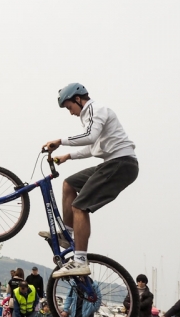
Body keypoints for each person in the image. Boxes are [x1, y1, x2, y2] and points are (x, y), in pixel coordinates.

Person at [42, 83, 138, 277]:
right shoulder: (89, 116)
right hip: (112, 163)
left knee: (80, 207)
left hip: (121, 163)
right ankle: (67, 234)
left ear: (78, 99)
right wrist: (68, 156)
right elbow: (93, 146)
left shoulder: (96, 109)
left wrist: (60, 141)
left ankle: (80, 260)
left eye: (69, 107)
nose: (70, 112)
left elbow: (89, 136)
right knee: (69, 184)